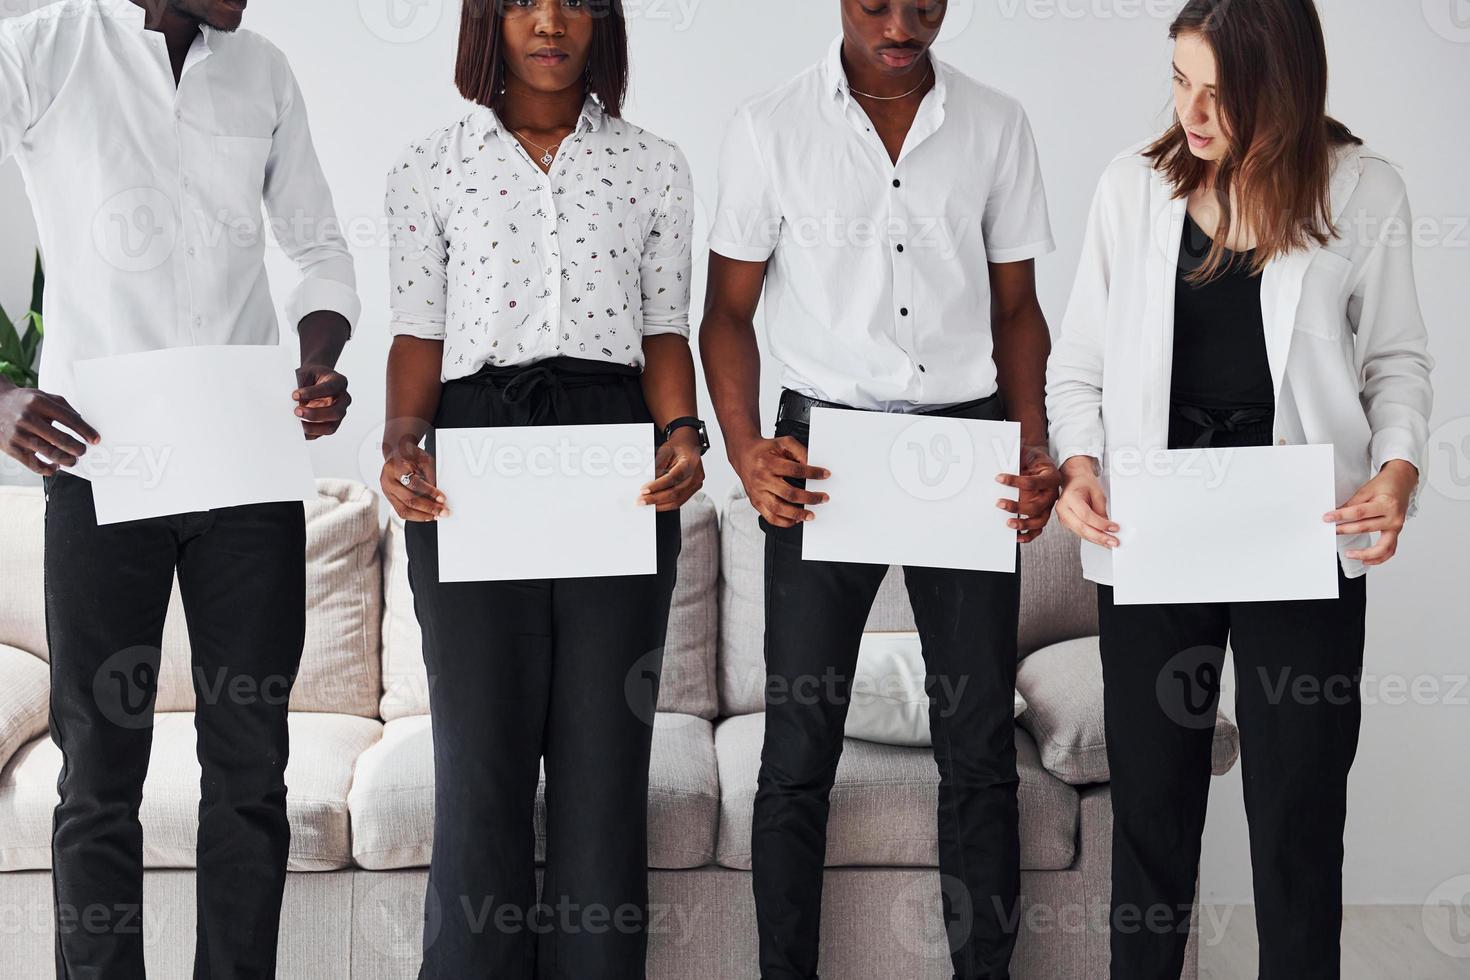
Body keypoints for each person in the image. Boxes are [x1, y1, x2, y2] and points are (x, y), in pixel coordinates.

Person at [1046, 1, 1434, 976]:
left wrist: (1397, 467)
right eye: (1180, 80)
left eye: (1221, 91)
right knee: (1151, 818)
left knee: (1298, 823)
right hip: (1156, 531)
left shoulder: (1363, 191)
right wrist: (1079, 461)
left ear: (1286, 85)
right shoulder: (1130, 187)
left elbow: (1397, 363)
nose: (1193, 112)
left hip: (1301, 533)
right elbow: (1078, 362)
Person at [700, 2, 1062, 976]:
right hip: (824, 450)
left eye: (924, 2)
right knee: (798, 744)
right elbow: (725, 313)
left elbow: (1019, 308)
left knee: (979, 742)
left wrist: (1035, 447)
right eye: (875, 3)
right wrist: (743, 447)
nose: (902, 22)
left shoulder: (996, 122)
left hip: (964, 441)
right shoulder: (768, 126)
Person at [0, 0, 360, 976]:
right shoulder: (38, 51)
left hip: (246, 456)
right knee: (99, 776)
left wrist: (318, 355)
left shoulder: (265, 70)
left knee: (250, 771)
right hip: (99, 454)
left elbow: (320, 250)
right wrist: (3, 390)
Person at [378, 1, 704, 976]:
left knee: (604, 774)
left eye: (576, 0)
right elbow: (417, 334)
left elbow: (663, 331)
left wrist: (683, 434)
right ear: (488, 19)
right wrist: (402, 442)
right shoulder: (427, 167)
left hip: (616, 466)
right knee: (480, 773)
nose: (552, 19)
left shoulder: (655, 164)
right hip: (476, 468)